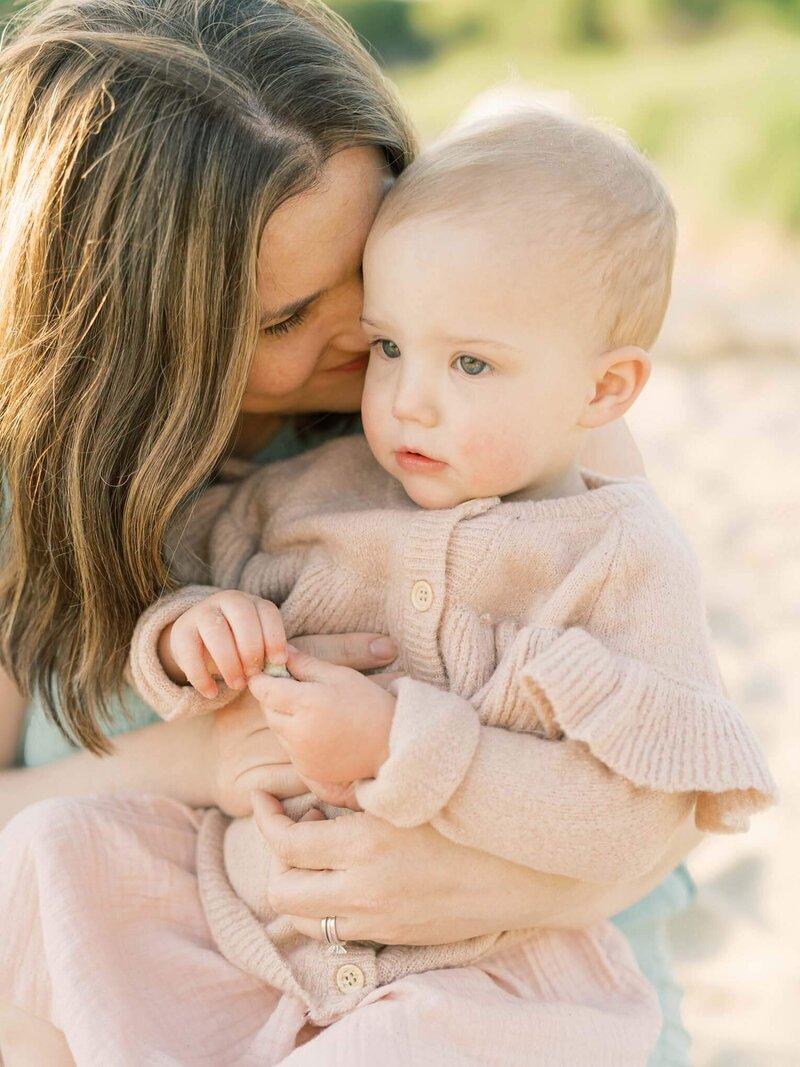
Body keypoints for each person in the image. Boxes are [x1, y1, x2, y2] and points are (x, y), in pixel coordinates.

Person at [0, 0, 706, 1063]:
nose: (367, 329)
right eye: (287, 316)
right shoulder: (33, 489)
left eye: (371, 258)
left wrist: (486, 871)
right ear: (140, 331)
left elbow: (670, 778)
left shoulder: (501, 429)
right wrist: (191, 755)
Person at [118, 110, 774, 1063]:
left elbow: (638, 810)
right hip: (253, 934)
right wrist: (192, 631)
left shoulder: (616, 553)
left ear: (603, 392)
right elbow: (181, 574)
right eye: (389, 348)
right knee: (53, 865)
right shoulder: (312, 490)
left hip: (482, 985)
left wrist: (403, 744)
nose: (407, 399)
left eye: (469, 363)